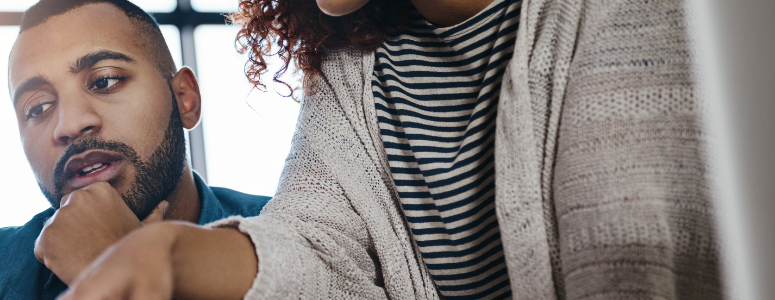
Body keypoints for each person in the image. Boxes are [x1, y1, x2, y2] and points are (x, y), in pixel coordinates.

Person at [57, 0, 722, 299]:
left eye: (107, 79)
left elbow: (631, 269)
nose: (70, 123)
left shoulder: (633, 14)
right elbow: (310, 250)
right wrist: (165, 249)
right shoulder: (351, 71)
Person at [0, 1, 272, 299]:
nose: (69, 125)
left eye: (104, 81)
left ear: (185, 99)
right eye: (39, 108)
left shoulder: (291, 237)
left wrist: (123, 262)